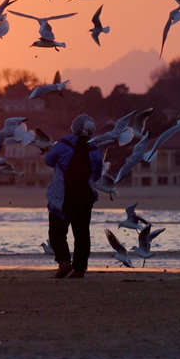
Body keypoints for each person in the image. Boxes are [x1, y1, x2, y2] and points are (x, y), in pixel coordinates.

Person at [44, 113, 103, 278]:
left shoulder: (63, 143)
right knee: (82, 233)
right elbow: (97, 174)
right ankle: (79, 269)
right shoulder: (94, 149)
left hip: (62, 195)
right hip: (85, 197)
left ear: (75, 126)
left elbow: (48, 160)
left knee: (57, 231)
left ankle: (64, 263)